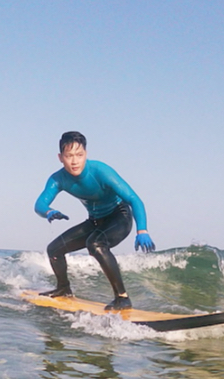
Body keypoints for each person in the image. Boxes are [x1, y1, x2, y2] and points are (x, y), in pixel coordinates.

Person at [34, 131, 155, 311]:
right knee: (54, 249)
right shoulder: (58, 179)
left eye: (79, 155)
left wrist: (142, 230)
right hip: (95, 221)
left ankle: (122, 298)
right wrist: (49, 212)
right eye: (69, 156)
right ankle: (63, 289)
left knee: (95, 244)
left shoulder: (100, 171)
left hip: (119, 217)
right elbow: (40, 204)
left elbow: (134, 199)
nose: (74, 161)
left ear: (86, 154)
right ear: (60, 157)